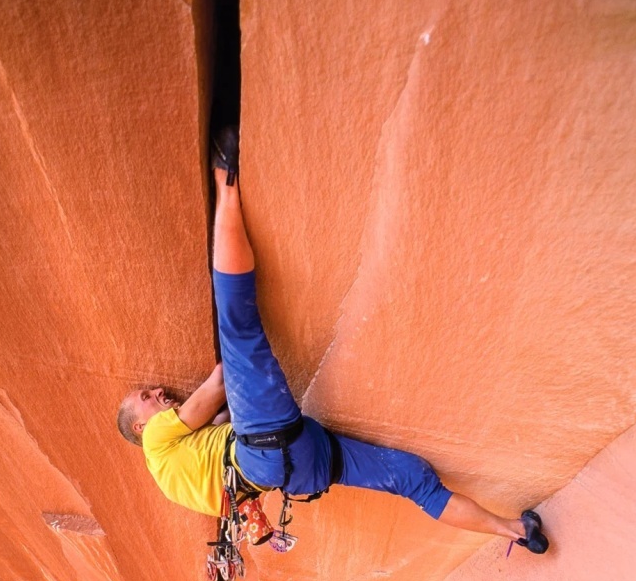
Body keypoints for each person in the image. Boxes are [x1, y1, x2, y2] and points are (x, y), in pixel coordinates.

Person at [117, 128, 549, 555]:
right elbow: (217, 385)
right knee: (236, 323)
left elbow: (222, 448)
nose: (158, 392)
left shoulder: (174, 480)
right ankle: (225, 181)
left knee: (413, 480)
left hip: (300, 471)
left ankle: (516, 530)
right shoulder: (155, 439)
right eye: (146, 397)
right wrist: (232, 383)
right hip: (268, 444)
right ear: (140, 427)